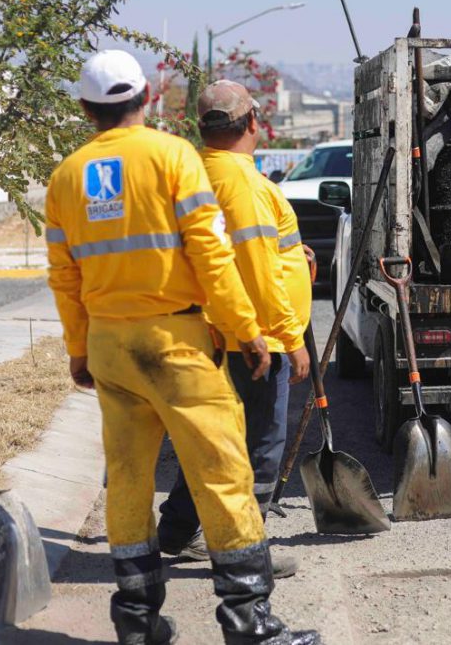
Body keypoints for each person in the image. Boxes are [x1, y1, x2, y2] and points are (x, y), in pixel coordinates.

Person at [46, 49, 319, 645]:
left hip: (111, 347)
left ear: (86, 108)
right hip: (176, 342)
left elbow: (65, 277)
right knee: (223, 473)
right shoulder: (172, 156)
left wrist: (78, 350)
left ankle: (138, 624)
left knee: (127, 478)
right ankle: (251, 624)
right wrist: (247, 330)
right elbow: (212, 256)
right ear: (145, 98)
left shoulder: (66, 176)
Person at [158, 80, 314, 579]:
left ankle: (180, 529)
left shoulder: (194, 171)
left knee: (212, 439)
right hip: (254, 338)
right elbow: (254, 266)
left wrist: (295, 254)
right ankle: (243, 549)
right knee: (259, 448)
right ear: (253, 123)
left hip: (206, 332)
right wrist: (290, 340)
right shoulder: (241, 182)